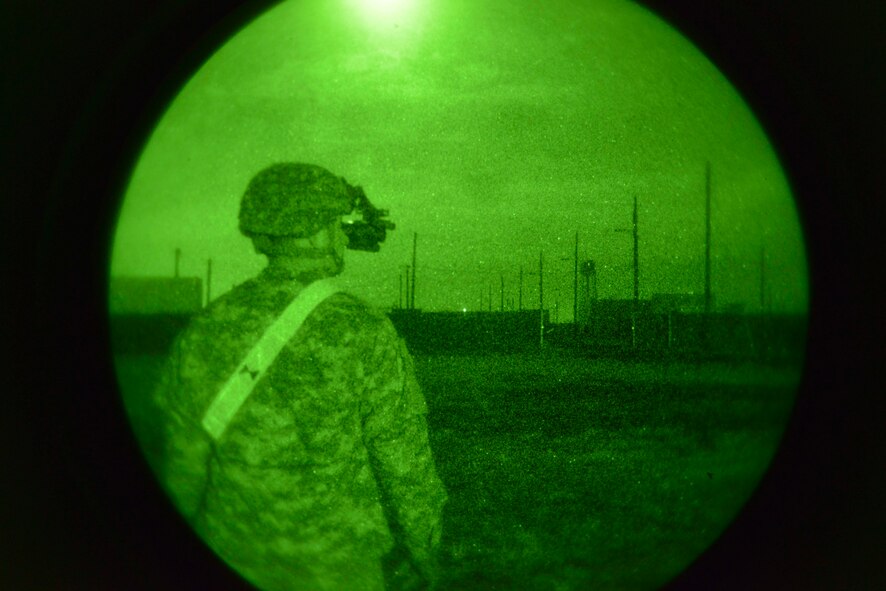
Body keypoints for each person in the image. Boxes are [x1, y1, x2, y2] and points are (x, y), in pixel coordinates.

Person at [149, 162, 447, 591]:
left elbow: (182, 466)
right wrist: (424, 549)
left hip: (230, 553)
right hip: (336, 567)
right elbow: (403, 461)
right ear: (317, 233)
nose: (344, 234)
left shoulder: (207, 328)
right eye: (336, 223)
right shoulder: (362, 328)